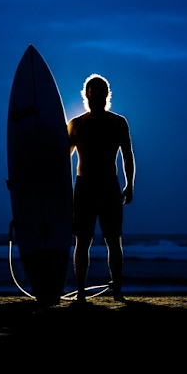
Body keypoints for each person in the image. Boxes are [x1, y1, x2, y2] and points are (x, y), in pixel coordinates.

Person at [68, 74, 135, 302]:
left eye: (102, 90)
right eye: (93, 90)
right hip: (84, 187)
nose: (98, 93)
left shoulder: (118, 122)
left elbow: (127, 156)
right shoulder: (76, 124)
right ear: (86, 94)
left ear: (108, 94)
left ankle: (117, 291)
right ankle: (80, 293)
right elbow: (61, 158)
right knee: (82, 241)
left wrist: (130, 184)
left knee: (113, 240)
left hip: (109, 187)